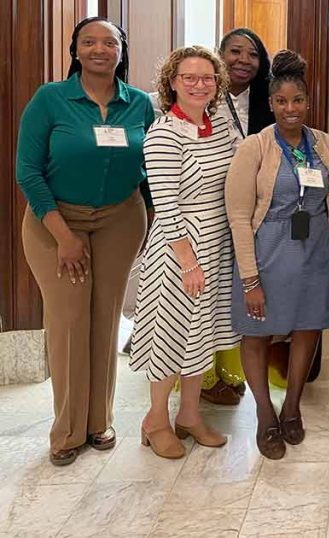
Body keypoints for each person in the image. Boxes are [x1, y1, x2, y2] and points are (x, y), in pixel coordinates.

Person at [16, 17, 152, 466]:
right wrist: (64, 236)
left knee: (107, 316)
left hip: (120, 219)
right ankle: (68, 430)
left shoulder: (138, 104)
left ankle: (99, 421)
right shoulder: (50, 99)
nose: (99, 49)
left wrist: (157, 218)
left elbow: (150, 165)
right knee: (70, 320)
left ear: (120, 50)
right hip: (55, 220)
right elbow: (28, 172)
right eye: (89, 42)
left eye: (109, 42)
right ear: (75, 50)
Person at [225, 50, 329, 460]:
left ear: (308, 103)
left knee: (308, 328)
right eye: (281, 101)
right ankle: (265, 414)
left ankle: (292, 406)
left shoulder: (327, 146)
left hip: (316, 256)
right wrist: (249, 279)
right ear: (272, 104)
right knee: (257, 333)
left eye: (297, 100)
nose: (290, 109)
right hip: (266, 255)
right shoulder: (254, 147)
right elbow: (239, 217)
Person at [129, 46, 238, 459]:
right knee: (171, 335)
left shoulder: (220, 127)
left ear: (217, 84)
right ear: (172, 82)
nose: (198, 85)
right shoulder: (162, 134)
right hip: (178, 252)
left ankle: (189, 415)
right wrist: (188, 261)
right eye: (189, 77)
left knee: (200, 336)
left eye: (207, 78)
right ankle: (155, 419)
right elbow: (166, 204)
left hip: (216, 244)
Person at [190, 28, 277, 407]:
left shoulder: (267, 103)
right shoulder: (202, 98)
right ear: (219, 55)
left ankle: (231, 372)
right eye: (235, 52)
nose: (243, 60)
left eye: (252, 54)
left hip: (250, 214)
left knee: (236, 291)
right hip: (205, 209)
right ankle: (200, 374)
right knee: (203, 294)